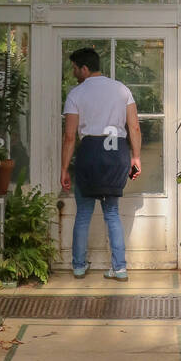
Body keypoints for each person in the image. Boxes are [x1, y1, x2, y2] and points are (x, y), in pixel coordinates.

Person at [60, 47, 142, 280]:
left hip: (90, 153)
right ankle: (119, 268)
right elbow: (134, 127)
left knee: (83, 214)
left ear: (85, 68)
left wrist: (64, 169)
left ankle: (78, 265)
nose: (74, 72)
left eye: (75, 68)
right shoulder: (122, 90)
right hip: (116, 152)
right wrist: (135, 157)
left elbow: (69, 137)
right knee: (112, 213)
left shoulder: (76, 94)